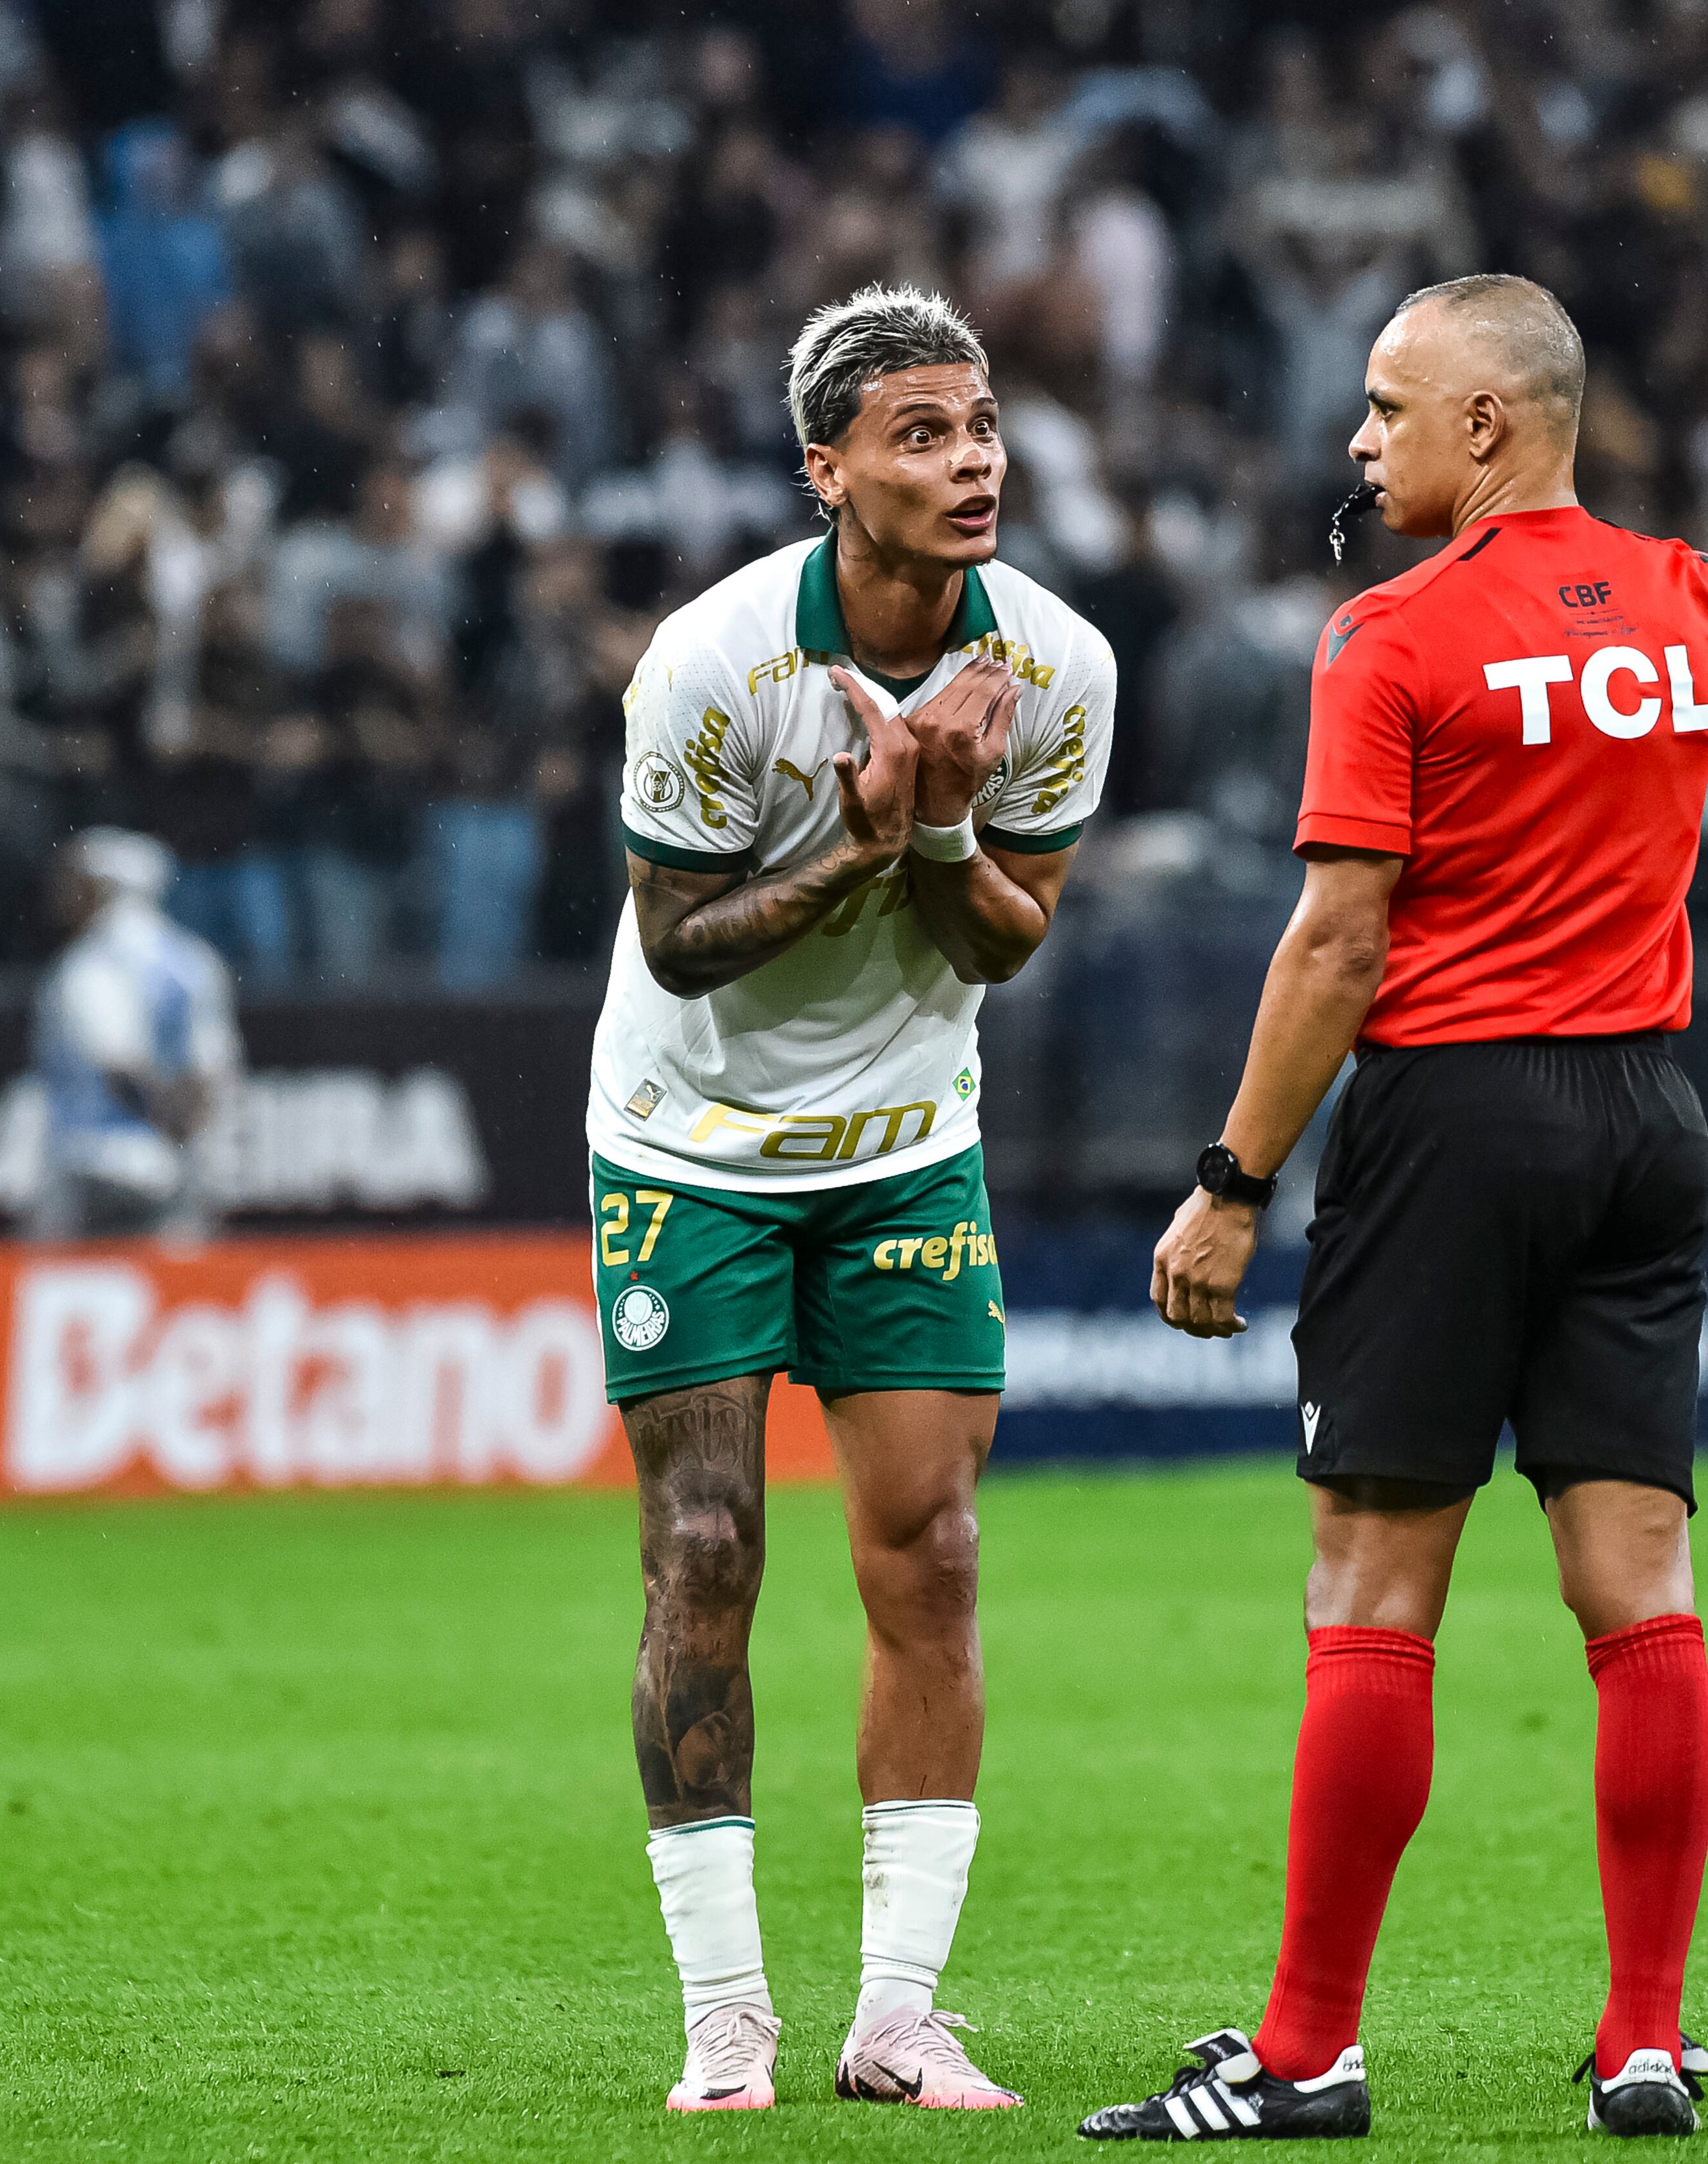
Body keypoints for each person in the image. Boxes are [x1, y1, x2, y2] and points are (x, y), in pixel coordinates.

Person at [1081, 275, 1708, 2143]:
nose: (1359, 439)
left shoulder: (1393, 634)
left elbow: (1338, 937)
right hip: (1643, 1112)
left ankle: (1305, 2056)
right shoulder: (1687, 597)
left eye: (1389, 406)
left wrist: (1229, 1184)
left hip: (1456, 1115)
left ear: (1489, 425)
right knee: (1641, 1592)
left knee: (1375, 1589)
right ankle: (1641, 2038)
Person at [588, 284, 1115, 2116]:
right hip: (692, 1148)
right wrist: (861, 838)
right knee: (707, 1549)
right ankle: (726, 2015)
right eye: (920, 434)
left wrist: (949, 830)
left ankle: (897, 2015)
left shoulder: (1055, 662)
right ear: (828, 471)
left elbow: (1013, 940)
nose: (971, 461)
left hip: (904, 1146)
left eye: (980, 428)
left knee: (935, 1557)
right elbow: (682, 940)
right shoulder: (714, 659)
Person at [24, 828, 241, 1243]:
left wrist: (162, 1119)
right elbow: (210, 1071)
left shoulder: (89, 963)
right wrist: (182, 1141)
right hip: (170, 1169)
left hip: (91, 1163)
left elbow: (118, 1067)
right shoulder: (196, 963)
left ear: (103, 887)